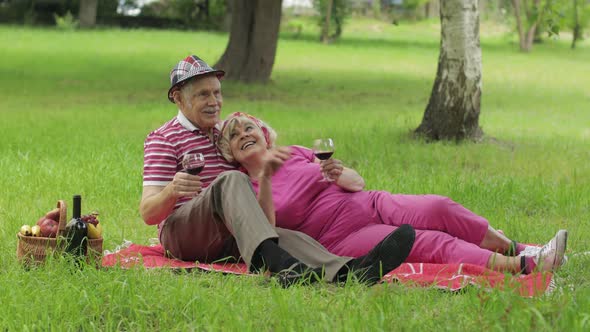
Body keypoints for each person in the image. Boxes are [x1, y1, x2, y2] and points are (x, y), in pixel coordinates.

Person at [139, 55, 416, 287]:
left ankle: (350, 272)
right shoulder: (164, 139)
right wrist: (173, 190)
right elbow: (148, 213)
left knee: (286, 236)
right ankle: (280, 264)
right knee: (232, 180)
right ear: (178, 98)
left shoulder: (224, 133)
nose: (215, 101)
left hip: (227, 234)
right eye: (203, 95)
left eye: (217, 92)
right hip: (183, 234)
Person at [217, 112, 569, 275]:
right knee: (429, 242)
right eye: (234, 135)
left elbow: (357, 182)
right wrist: (264, 177)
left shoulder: (295, 151)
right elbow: (267, 230)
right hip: (344, 235)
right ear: (231, 153)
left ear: (265, 133)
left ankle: (520, 246)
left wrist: (340, 172)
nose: (244, 133)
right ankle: (524, 265)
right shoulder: (243, 188)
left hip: (368, 201)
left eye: (249, 126)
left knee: (440, 206)